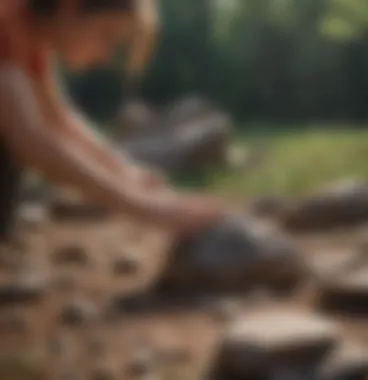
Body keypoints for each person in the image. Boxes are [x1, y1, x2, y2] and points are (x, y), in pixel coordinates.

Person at [0, 0, 225, 241]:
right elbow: (32, 140)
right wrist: (151, 209)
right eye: (106, 35)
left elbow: (58, 120)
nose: (106, 55)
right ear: (71, 7)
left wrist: (127, 171)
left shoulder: (29, 37)